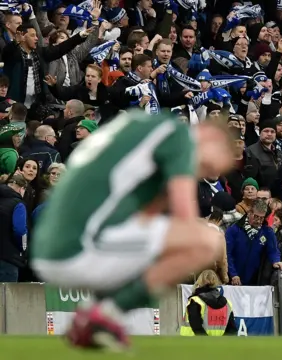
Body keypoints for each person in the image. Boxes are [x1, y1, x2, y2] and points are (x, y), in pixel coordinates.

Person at [30, 112, 235, 350]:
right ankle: (103, 316)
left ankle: (94, 313)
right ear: (211, 136)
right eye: (205, 165)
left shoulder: (142, 134)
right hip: (78, 245)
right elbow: (184, 218)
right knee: (207, 240)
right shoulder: (179, 136)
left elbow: (143, 215)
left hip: (54, 245)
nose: (197, 172)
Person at [180, 270, 237, 336]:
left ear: (199, 282)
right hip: (217, 344)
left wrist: (206, 343)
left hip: (192, 343)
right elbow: (232, 330)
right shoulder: (227, 304)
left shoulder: (195, 301)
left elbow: (196, 327)